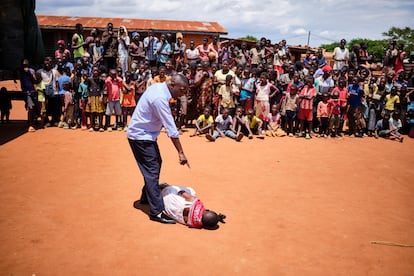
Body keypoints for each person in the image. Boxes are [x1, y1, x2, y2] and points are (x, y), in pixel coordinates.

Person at [127, 74, 190, 224]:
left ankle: (146, 197)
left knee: (154, 165)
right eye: (182, 90)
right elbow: (171, 128)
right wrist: (181, 152)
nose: (184, 94)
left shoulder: (158, 88)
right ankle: (156, 211)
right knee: (152, 168)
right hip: (141, 137)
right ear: (172, 85)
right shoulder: (160, 99)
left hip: (144, 135)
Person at [160, 184, 226, 229]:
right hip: (163, 207)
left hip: (167, 194)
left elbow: (182, 193)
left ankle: (164, 187)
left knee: (191, 191)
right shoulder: (195, 225)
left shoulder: (198, 204)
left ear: (207, 211)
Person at [20, 59, 37, 132]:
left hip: (32, 91)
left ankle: (31, 121)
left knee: (32, 108)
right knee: (31, 107)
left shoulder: (32, 71)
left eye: (26, 65)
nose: (25, 67)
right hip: (26, 92)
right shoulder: (20, 72)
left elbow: (34, 81)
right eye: (24, 65)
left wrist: (29, 73)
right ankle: (31, 125)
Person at [86, 66, 105, 131]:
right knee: (92, 112)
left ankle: (100, 126)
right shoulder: (89, 80)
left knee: (100, 112)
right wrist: (88, 98)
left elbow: (102, 89)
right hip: (92, 97)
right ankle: (92, 126)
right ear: (92, 71)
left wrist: (102, 96)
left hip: (99, 97)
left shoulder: (101, 80)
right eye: (94, 70)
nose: (95, 72)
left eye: (97, 70)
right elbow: (88, 89)